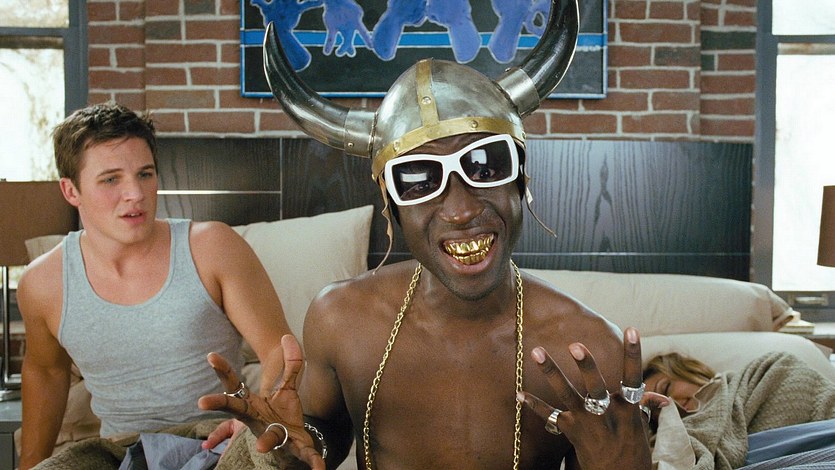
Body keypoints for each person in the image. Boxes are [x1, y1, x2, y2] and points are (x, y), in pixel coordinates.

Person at [196, 1, 667, 469]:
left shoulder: (589, 350)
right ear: (393, 206)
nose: (461, 210)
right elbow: (321, 440)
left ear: (521, 178)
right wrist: (290, 443)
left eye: (485, 166)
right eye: (420, 181)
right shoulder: (339, 319)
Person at [16, 102, 292, 469]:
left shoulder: (212, 247)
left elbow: (279, 351)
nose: (136, 193)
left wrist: (256, 420)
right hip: (120, 451)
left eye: (145, 174)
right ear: (71, 190)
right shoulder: (43, 283)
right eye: (111, 179)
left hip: (217, 441)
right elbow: (47, 373)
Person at [644, 351, 835, 469]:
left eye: (666, 389)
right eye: (657, 410)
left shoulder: (764, 372)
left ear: (691, 370)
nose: (671, 404)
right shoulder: (674, 442)